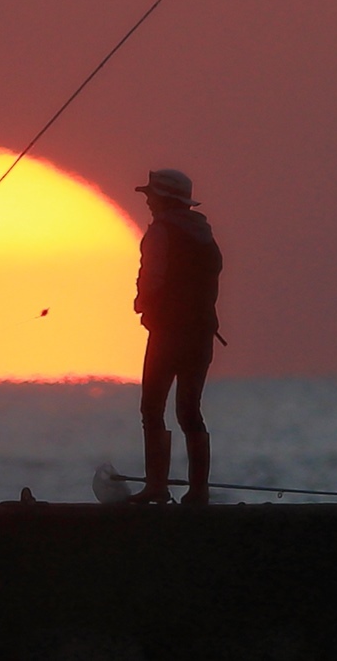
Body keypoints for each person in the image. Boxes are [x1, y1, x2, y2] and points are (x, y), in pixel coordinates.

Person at [130, 169, 222, 505]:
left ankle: (157, 486)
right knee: (190, 410)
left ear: (163, 198)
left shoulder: (159, 233)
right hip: (201, 335)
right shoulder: (206, 236)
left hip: (168, 334)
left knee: (152, 408)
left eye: (151, 196)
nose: (148, 202)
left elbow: (150, 278)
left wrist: (142, 304)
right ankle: (199, 490)